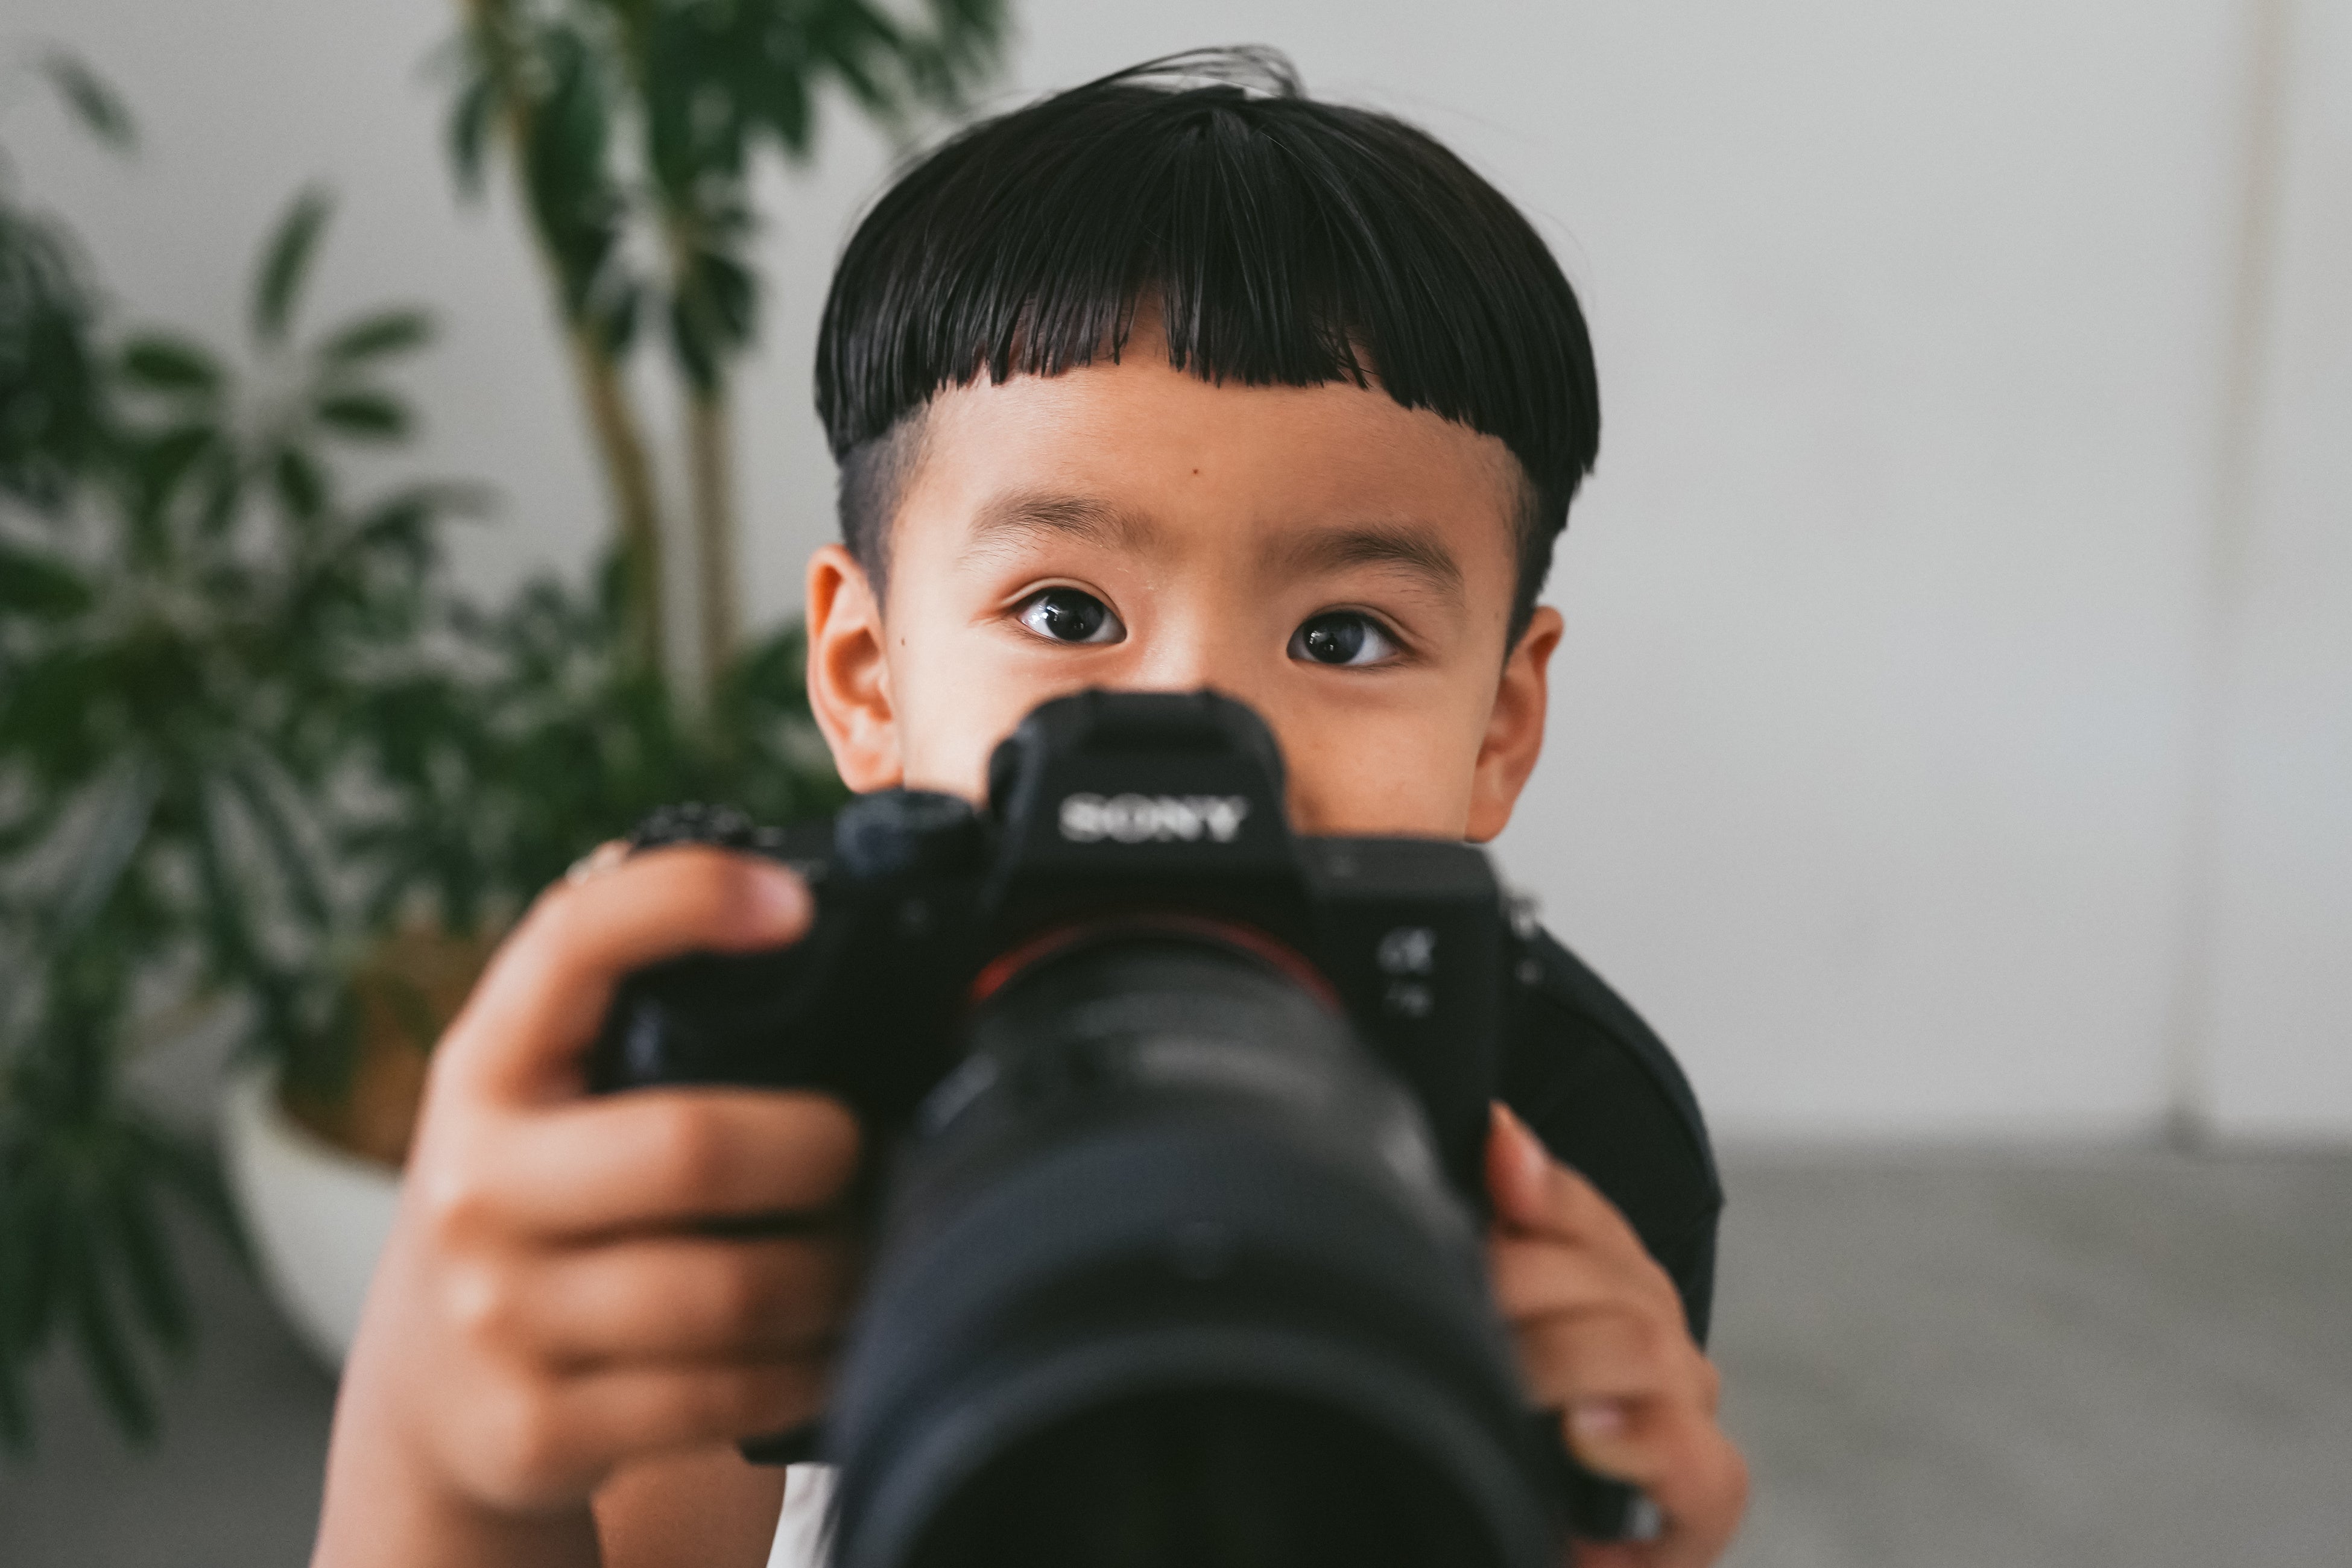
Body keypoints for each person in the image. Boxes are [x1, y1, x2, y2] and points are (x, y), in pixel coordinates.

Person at [311, 48, 1748, 1568]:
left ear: (1500, 724)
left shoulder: (1558, 1118)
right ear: (867, 672)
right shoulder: (783, 1060)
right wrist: (443, 1450)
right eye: (1065, 611)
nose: (1198, 721)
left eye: (1342, 636)